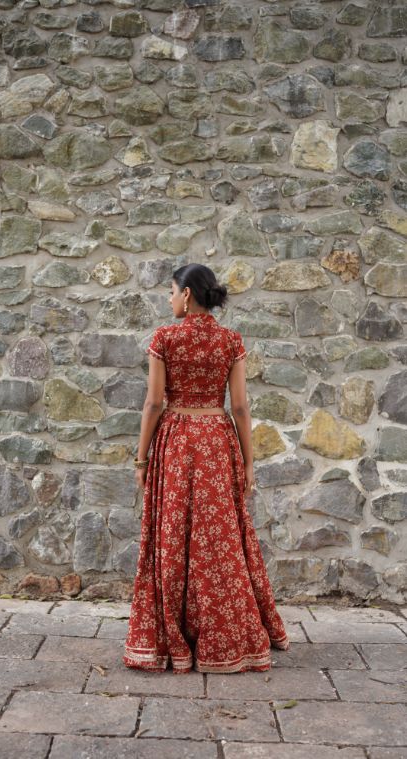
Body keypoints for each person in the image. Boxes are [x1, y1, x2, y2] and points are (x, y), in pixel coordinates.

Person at [123, 263, 289, 674]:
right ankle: (229, 637)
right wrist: (249, 462)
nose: (168, 299)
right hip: (217, 442)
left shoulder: (165, 338)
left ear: (186, 295)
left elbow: (154, 404)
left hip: (177, 444)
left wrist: (141, 458)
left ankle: (174, 639)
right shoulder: (230, 341)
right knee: (221, 541)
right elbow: (240, 407)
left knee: (174, 537)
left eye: (170, 291)